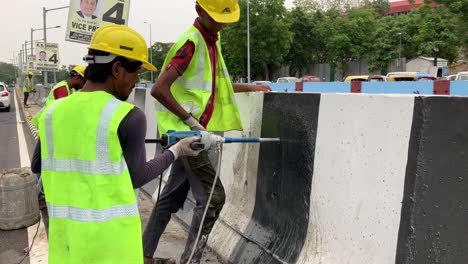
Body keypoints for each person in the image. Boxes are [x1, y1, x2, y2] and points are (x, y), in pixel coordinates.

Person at [30, 23, 203, 264]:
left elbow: (37, 165)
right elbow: (138, 176)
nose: (137, 80)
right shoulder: (128, 116)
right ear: (118, 69)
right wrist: (176, 151)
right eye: (136, 72)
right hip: (113, 248)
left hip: (66, 246)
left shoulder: (51, 113)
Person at [143, 1, 271, 263]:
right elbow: (159, 89)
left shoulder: (211, 41)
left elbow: (215, 86)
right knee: (213, 198)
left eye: (225, 19)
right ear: (199, 11)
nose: (221, 23)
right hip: (188, 134)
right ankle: (191, 259)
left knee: (171, 196)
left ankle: (143, 254)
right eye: (216, 18)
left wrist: (250, 89)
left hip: (192, 132)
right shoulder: (192, 43)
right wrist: (191, 122)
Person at [32, 65, 87, 129]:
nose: (83, 86)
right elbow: (63, 114)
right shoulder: (62, 89)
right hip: (43, 123)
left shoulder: (67, 87)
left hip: (45, 121)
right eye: (84, 82)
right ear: (77, 78)